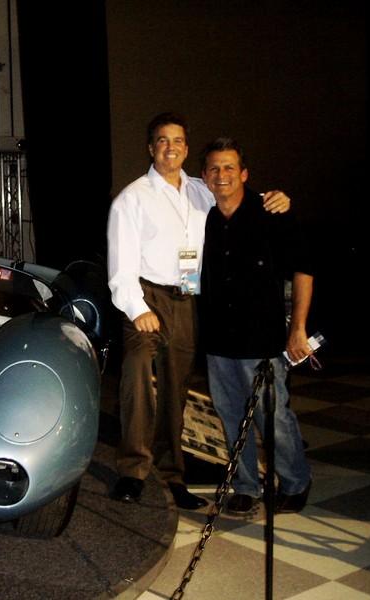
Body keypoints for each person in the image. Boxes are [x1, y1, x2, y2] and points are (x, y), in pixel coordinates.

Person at [106, 113, 290, 510]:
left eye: (178, 141)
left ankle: (172, 476)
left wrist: (275, 199)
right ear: (150, 147)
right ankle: (133, 471)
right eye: (161, 140)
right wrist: (138, 308)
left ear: (186, 149)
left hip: (189, 300)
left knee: (176, 390)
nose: (170, 147)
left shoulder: (199, 190)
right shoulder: (131, 199)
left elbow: (235, 197)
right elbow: (119, 268)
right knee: (138, 374)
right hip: (146, 298)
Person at [199, 137, 313, 515]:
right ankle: (246, 484)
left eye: (230, 167)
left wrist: (298, 328)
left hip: (262, 340)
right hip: (218, 340)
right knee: (231, 418)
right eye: (214, 168)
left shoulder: (271, 213)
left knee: (273, 417)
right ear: (204, 176)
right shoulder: (203, 217)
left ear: (244, 173)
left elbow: (303, 270)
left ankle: (295, 481)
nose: (222, 175)